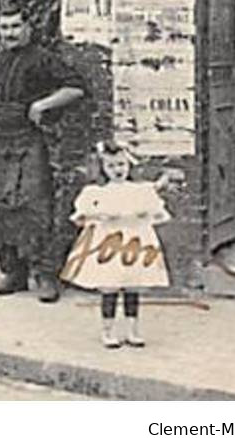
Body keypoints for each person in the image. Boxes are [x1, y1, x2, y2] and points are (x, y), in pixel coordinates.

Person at [0, 6, 87, 302]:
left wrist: (42, 105)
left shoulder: (43, 58)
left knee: (35, 206)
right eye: (4, 27)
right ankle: (13, 273)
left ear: (27, 28)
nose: (8, 33)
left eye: (14, 26)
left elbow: (76, 88)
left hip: (29, 140)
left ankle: (45, 276)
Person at [60, 141, 180, 348]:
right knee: (110, 286)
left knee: (133, 285)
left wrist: (145, 213)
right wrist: (100, 215)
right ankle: (108, 331)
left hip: (135, 240)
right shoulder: (96, 192)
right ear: (103, 168)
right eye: (112, 166)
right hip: (110, 242)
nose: (118, 170)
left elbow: (158, 213)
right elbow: (81, 216)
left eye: (122, 165)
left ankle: (133, 330)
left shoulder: (139, 190)